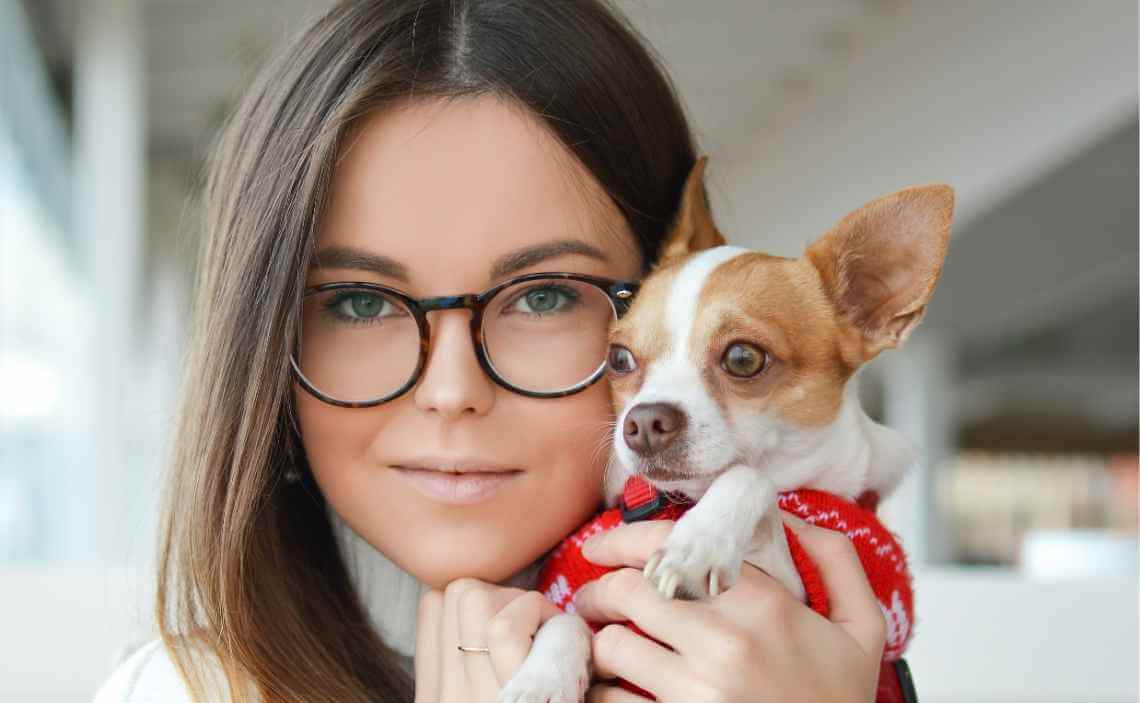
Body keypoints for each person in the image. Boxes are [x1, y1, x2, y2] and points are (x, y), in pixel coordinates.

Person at [92, 1, 887, 701]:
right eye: (360, 302)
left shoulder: (837, 655)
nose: (450, 389)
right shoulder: (173, 692)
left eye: (543, 295)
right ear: (261, 341)